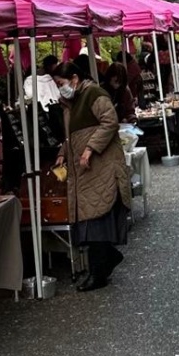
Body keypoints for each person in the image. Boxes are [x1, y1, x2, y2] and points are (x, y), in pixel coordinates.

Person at [58, 57, 133, 290]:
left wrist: (90, 148)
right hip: (86, 170)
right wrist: (63, 152)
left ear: (75, 78)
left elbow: (109, 122)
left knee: (95, 220)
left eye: (62, 83)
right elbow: (71, 135)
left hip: (99, 167)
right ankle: (103, 265)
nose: (61, 88)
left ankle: (98, 273)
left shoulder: (94, 94)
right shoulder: (72, 102)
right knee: (91, 220)